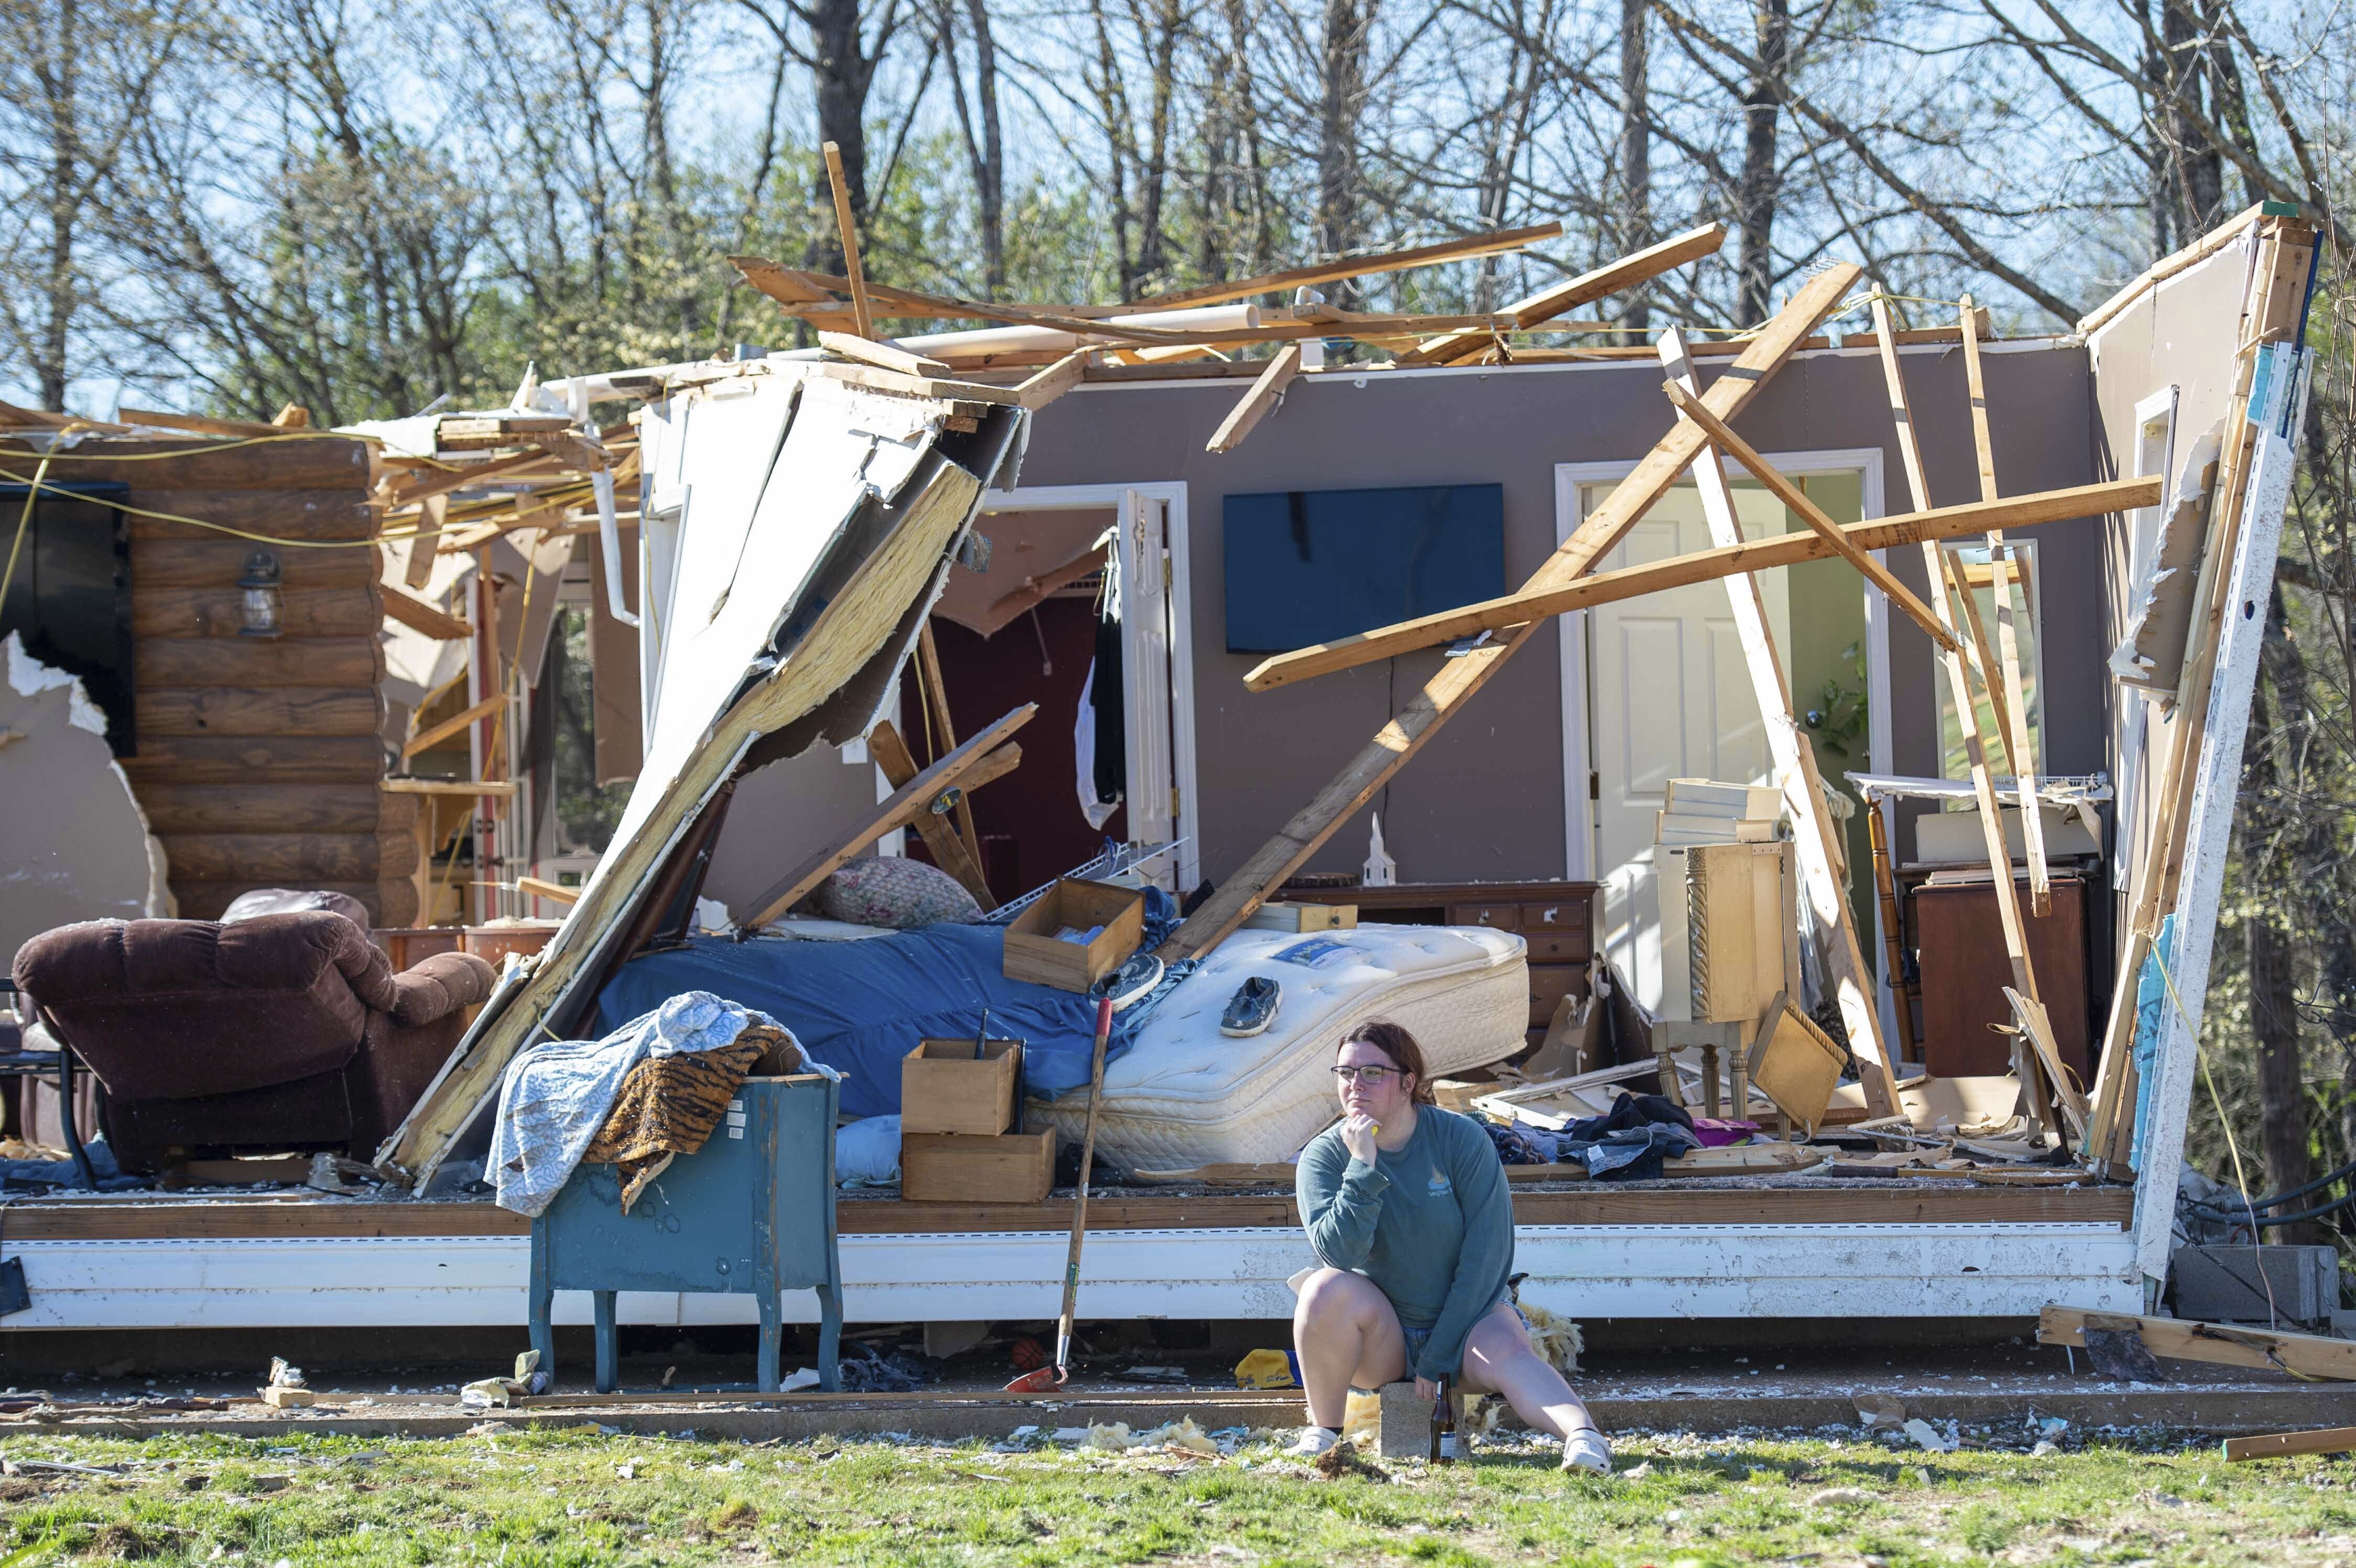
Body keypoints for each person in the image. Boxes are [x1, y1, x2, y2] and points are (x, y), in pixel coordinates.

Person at [1288, 1019, 1611, 1473]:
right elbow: (1340, 1255)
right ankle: (1324, 1434)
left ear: (1408, 1082)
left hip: (1469, 1323)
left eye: (1372, 1073)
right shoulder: (1326, 1155)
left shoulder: (1460, 1139)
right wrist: (1362, 1166)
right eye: (1345, 1074)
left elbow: (1488, 1257)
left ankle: (1585, 1440)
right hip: (1384, 1337)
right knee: (1322, 1289)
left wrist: (1440, 1353)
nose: (1355, 1085)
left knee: (1511, 1354)